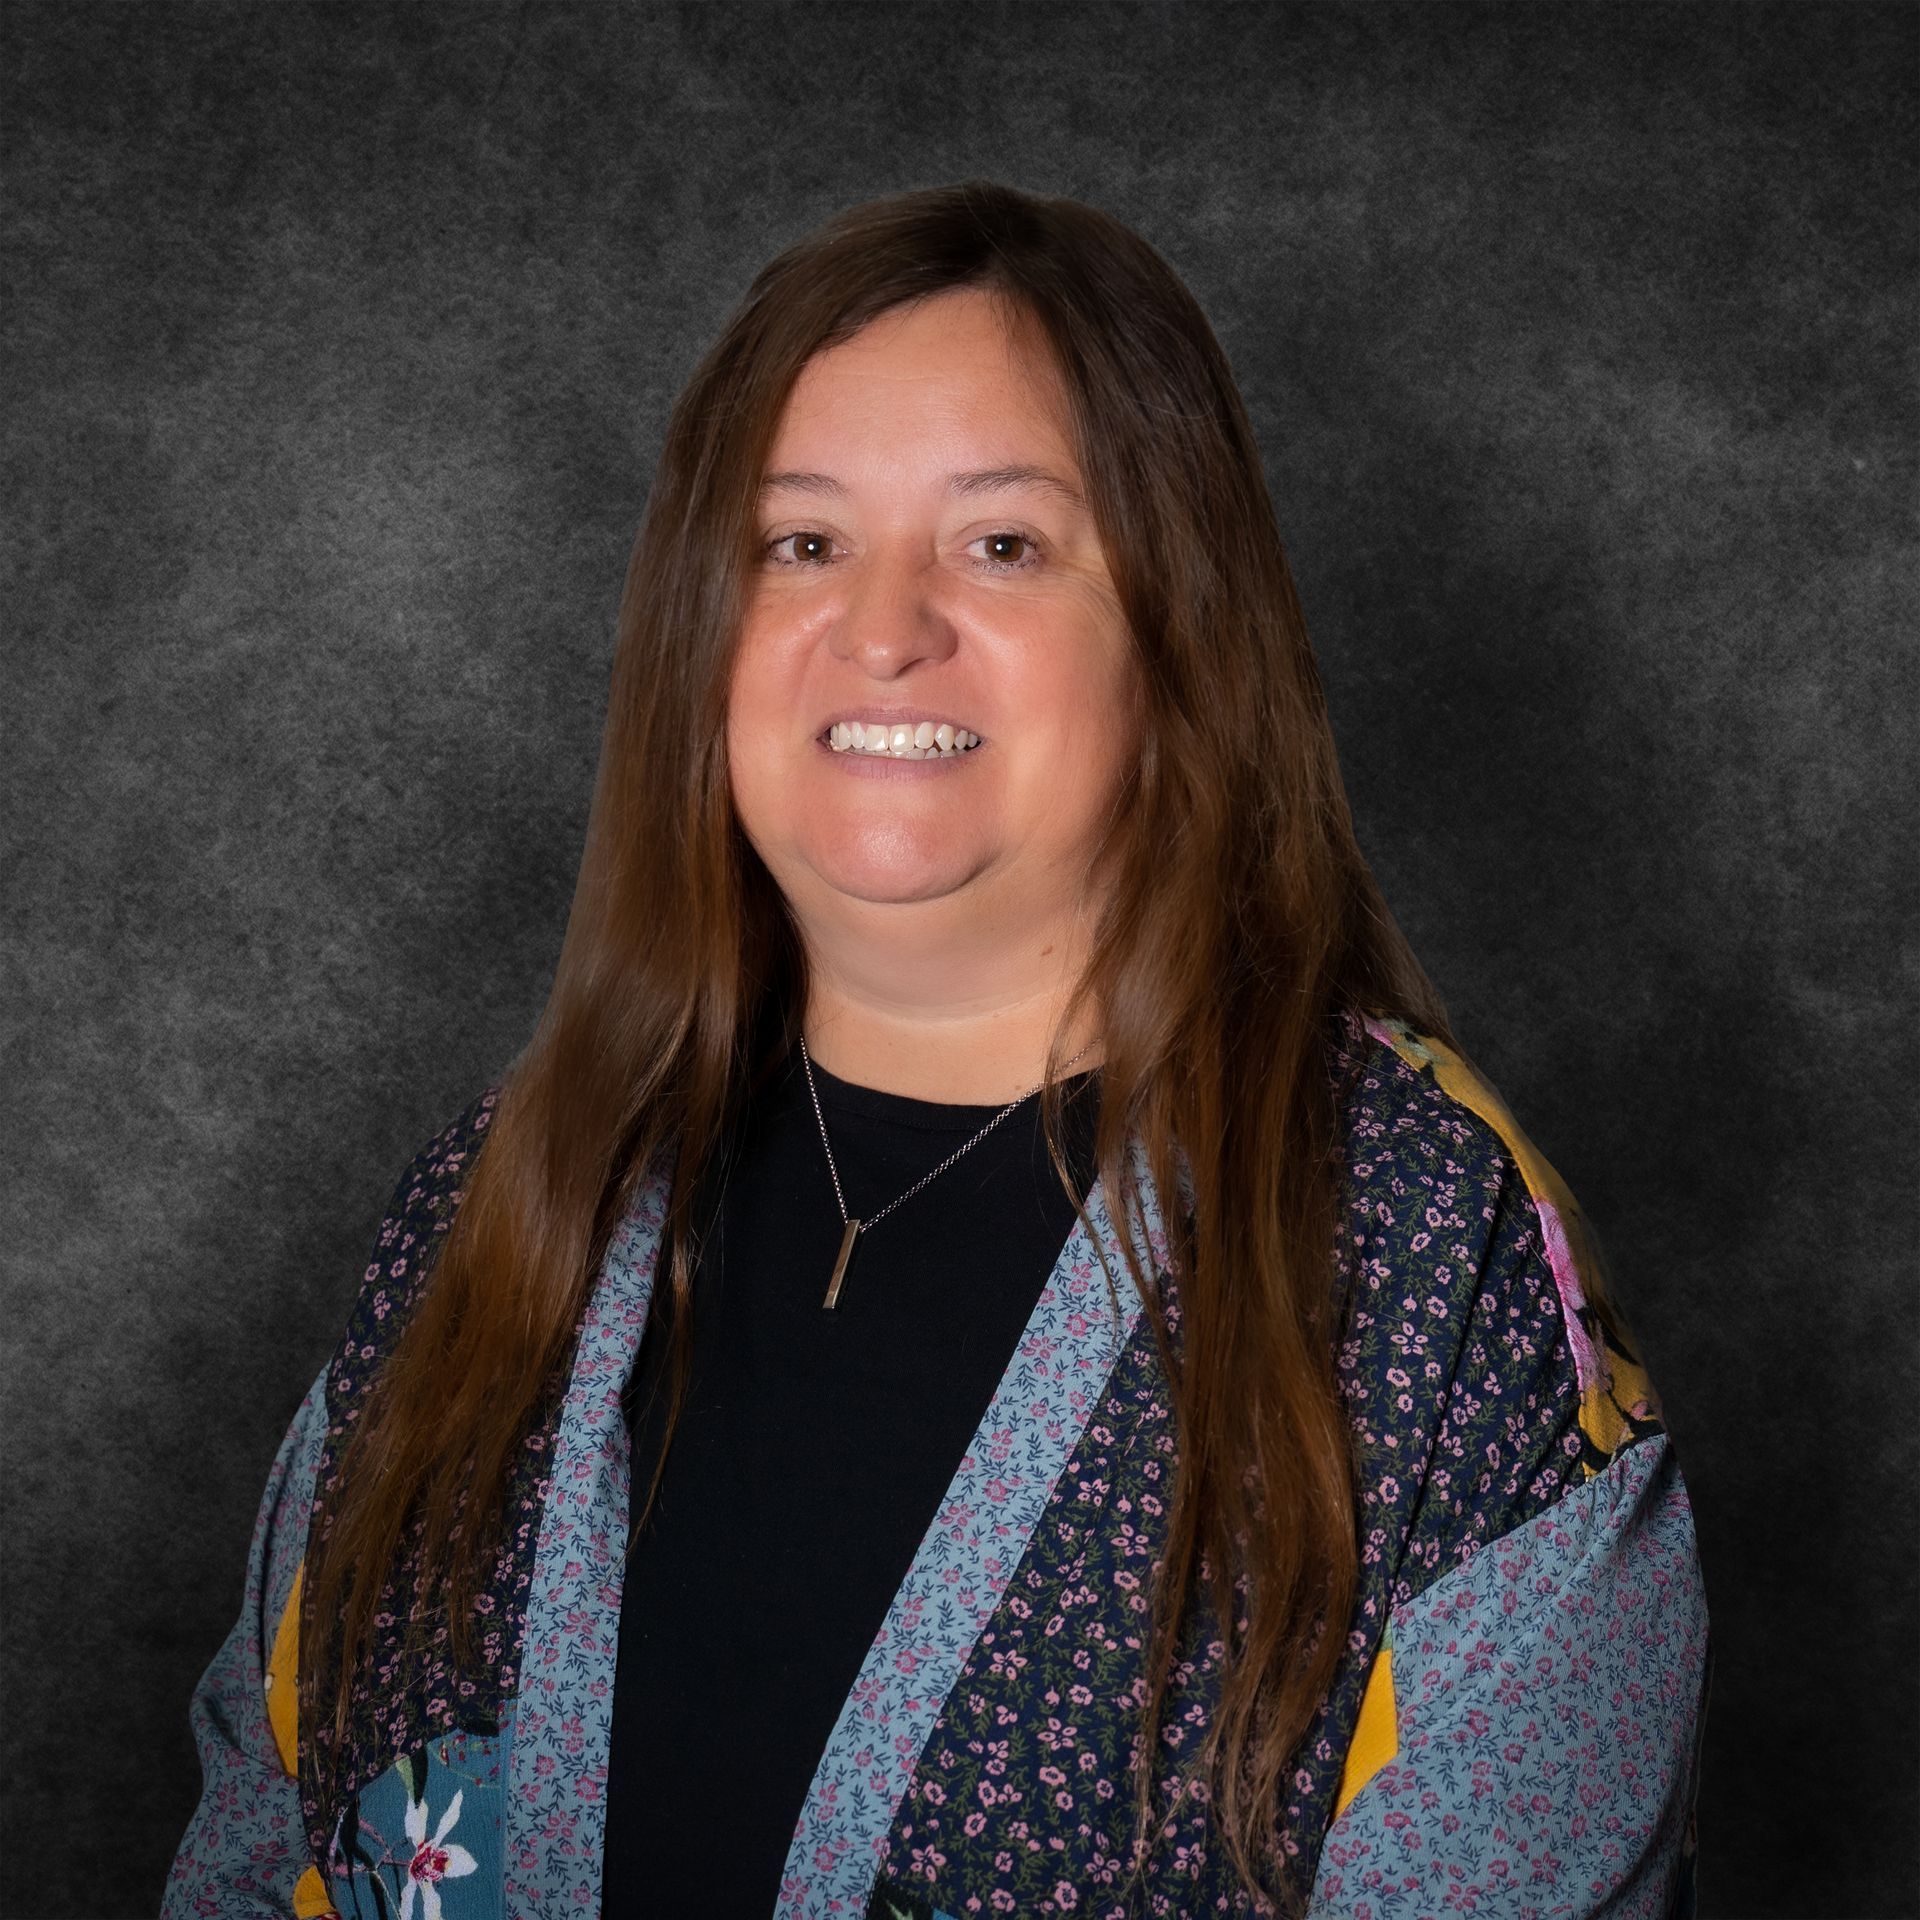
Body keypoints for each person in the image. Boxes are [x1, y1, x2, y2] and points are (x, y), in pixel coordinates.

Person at [163, 180, 1709, 1920]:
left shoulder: (1435, 1266)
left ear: (1179, 635)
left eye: (1002, 544)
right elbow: (253, 1847)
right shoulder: (495, 1213)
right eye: (801, 542)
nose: (881, 627)